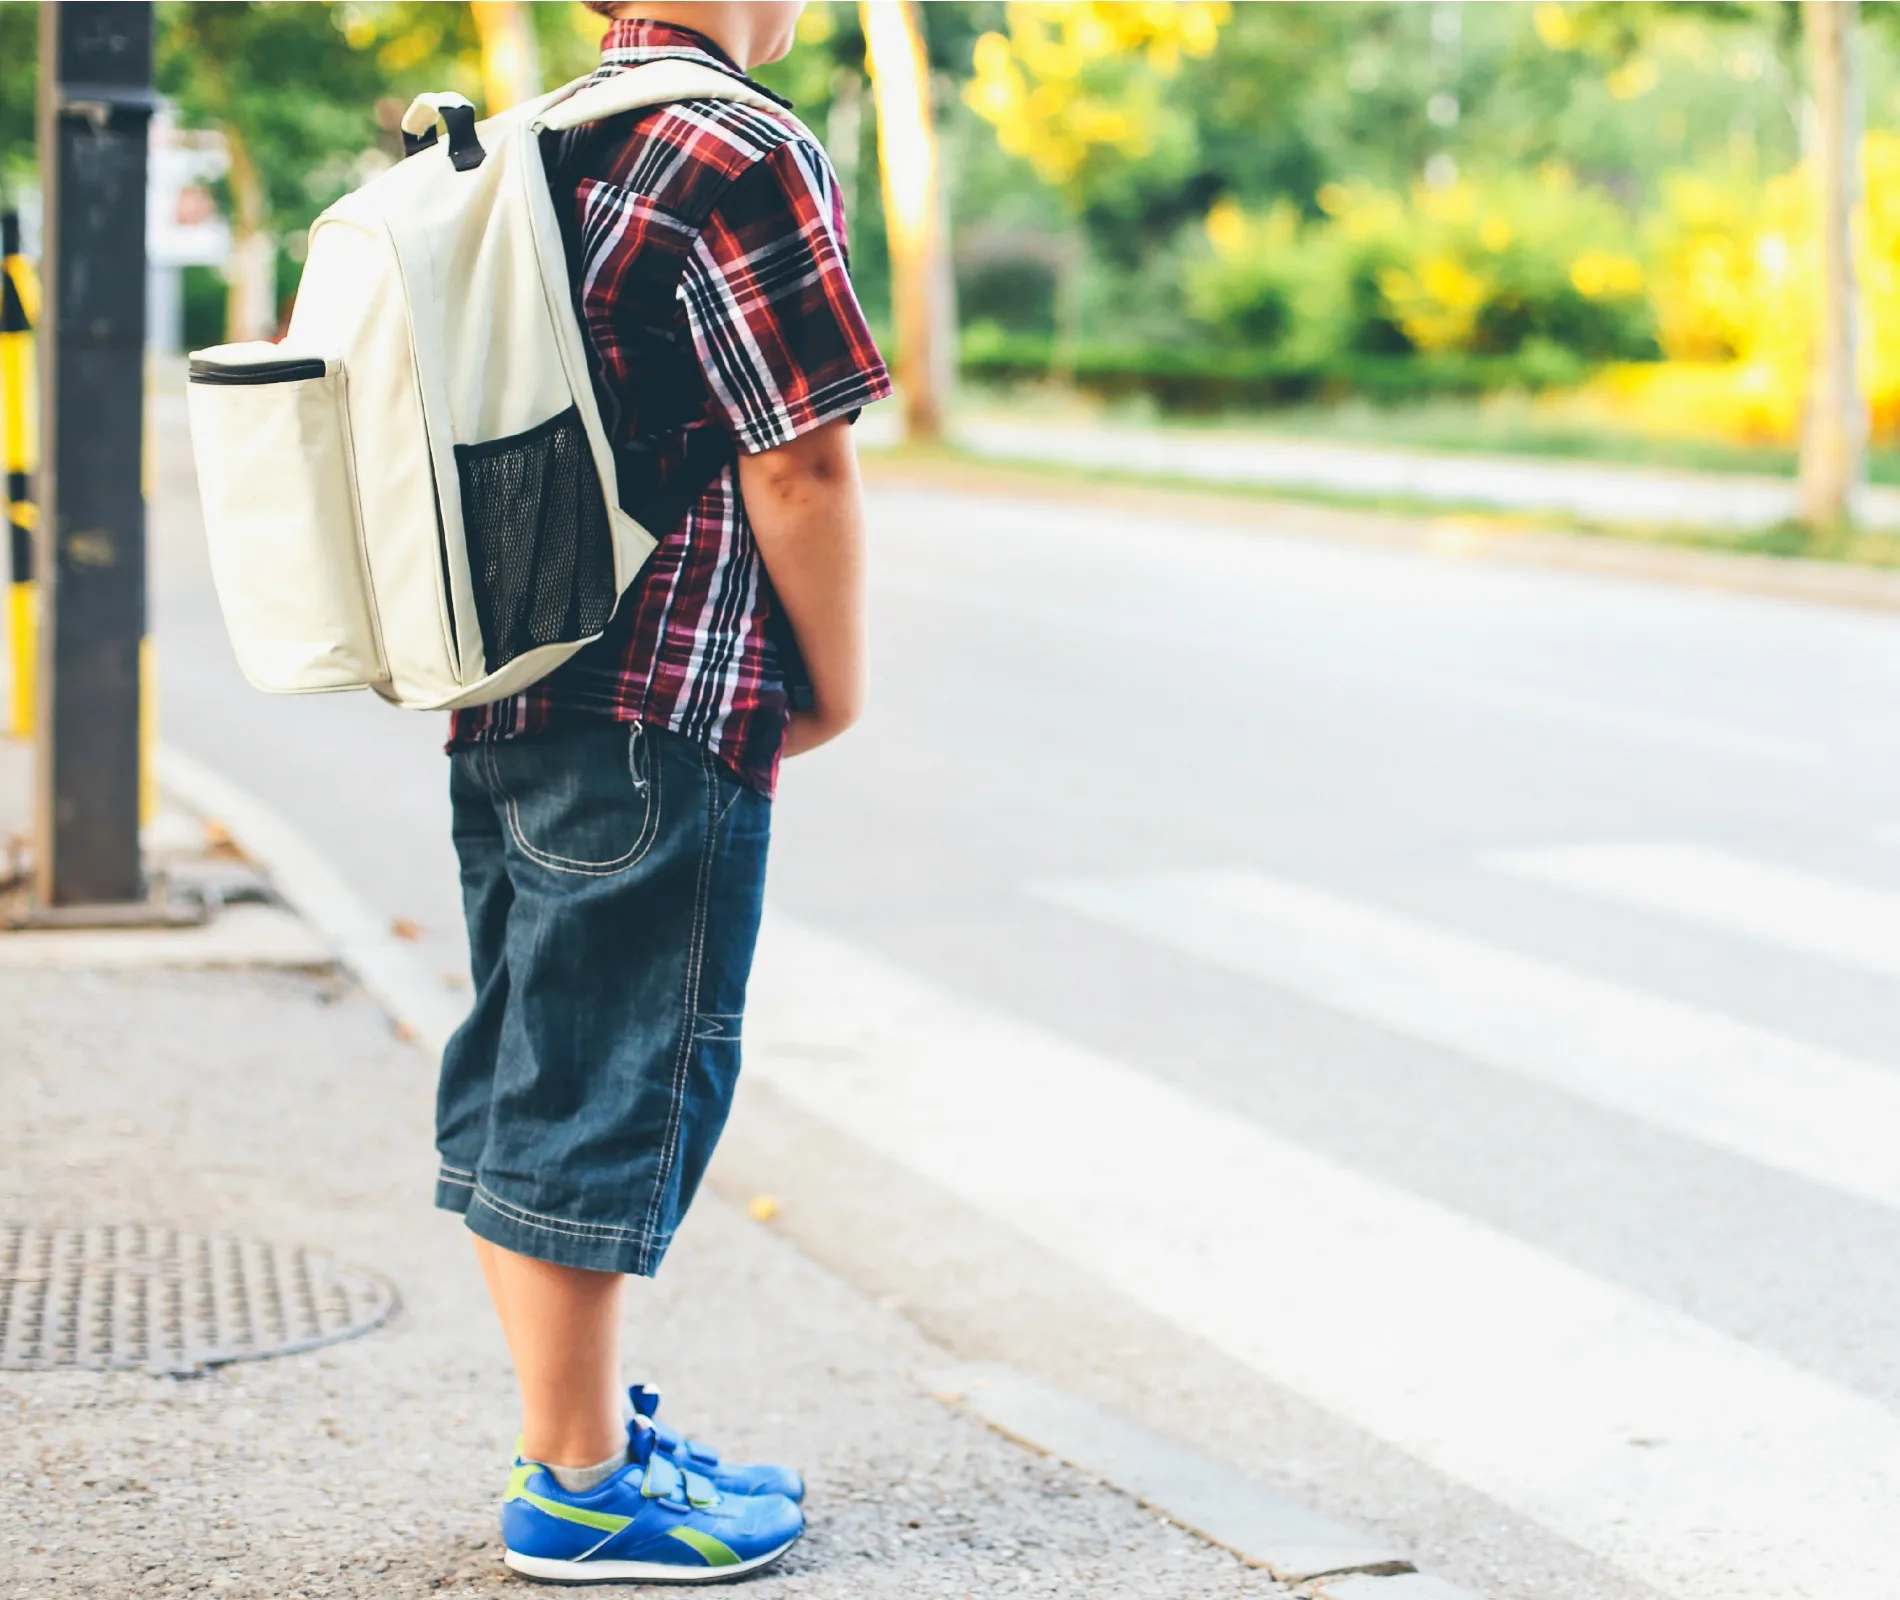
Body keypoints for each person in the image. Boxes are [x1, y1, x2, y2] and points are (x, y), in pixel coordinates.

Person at [433, 2, 890, 1581]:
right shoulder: (743, 145)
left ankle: (583, 1443)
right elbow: (798, 463)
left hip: (506, 683)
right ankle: (573, 1485)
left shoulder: (526, 141)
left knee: (537, 1065)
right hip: (665, 692)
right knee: (613, 1083)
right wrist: (829, 681)